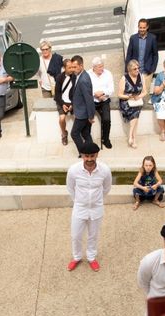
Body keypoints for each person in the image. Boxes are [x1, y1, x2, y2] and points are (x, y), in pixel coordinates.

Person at [66, 142, 112, 272]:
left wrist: (98, 201)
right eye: (87, 156)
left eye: (92, 156)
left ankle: (91, 258)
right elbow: (70, 188)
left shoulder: (105, 170)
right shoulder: (73, 170)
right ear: (82, 156)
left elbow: (107, 188)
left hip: (97, 208)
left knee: (93, 235)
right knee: (76, 235)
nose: (89, 159)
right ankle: (77, 257)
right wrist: (79, 201)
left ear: (97, 154)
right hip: (80, 208)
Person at [125, 18, 158, 97]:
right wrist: (127, 70)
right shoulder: (133, 38)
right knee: (135, 93)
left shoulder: (152, 38)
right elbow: (129, 54)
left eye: (144, 27)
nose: (142, 29)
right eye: (140, 27)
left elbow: (155, 55)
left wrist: (152, 69)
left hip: (147, 71)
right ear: (138, 27)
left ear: (147, 27)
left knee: (145, 94)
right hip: (134, 71)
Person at [70, 55, 96, 154]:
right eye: (72, 67)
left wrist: (90, 116)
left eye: (75, 67)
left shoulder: (83, 80)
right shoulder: (79, 75)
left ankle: (84, 153)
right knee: (85, 133)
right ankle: (91, 152)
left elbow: (89, 99)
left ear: (81, 66)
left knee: (74, 133)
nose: (73, 69)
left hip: (83, 114)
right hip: (82, 111)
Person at [118, 60, 146, 149]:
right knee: (136, 114)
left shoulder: (141, 76)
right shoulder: (124, 78)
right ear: (129, 70)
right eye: (135, 69)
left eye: (138, 68)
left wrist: (139, 96)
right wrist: (128, 96)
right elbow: (119, 94)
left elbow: (145, 92)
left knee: (136, 111)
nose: (137, 70)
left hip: (137, 101)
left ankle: (131, 137)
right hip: (126, 102)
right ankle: (133, 138)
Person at [88, 57, 114, 149]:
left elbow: (111, 90)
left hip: (104, 100)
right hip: (92, 100)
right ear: (93, 67)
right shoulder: (88, 74)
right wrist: (95, 94)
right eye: (99, 67)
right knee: (87, 120)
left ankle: (105, 139)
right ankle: (88, 141)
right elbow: (86, 89)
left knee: (107, 120)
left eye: (102, 66)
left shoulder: (108, 74)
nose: (101, 69)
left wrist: (103, 93)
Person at [54, 58, 76, 146]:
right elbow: (57, 93)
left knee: (79, 117)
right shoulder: (60, 77)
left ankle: (78, 133)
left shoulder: (75, 76)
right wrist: (62, 104)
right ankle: (64, 134)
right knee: (62, 118)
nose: (71, 69)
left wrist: (73, 104)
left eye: (72, 67)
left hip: (73, 101)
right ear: (64, 68)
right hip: (62, 101)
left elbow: (77, 92)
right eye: (69, 68)